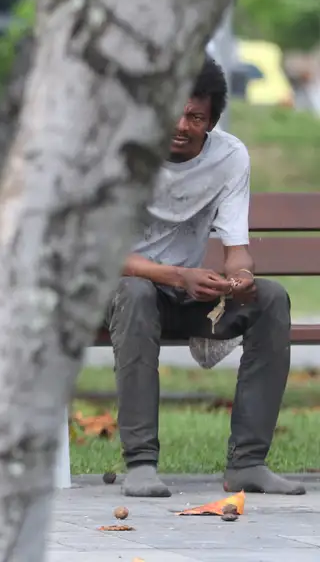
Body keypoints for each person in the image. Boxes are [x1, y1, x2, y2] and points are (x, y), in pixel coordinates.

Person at [107, 55, 304, 498]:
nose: (181, 124)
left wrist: (240, 278)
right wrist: (178, 276)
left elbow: (237, 251)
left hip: (184, 296)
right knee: (136, 293)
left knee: (270, 299)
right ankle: (140, 463)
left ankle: (248, 462)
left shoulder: (230, 157)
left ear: (211, 121)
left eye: (195, 116)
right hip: (118, 296)